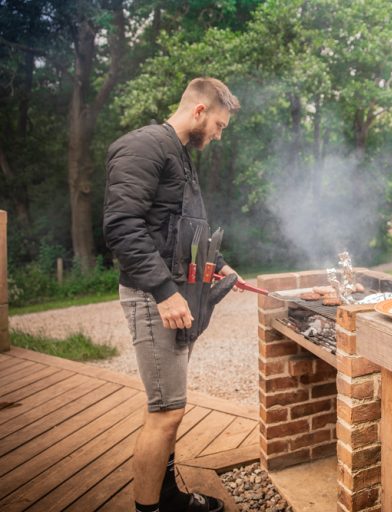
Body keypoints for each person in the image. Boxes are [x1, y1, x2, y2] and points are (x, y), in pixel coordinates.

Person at [104, 77, 244, 512]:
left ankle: (167, 498)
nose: (219, 135)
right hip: (155, 299)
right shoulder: (144, 147)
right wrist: (166, 292)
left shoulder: (177, 155)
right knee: (164, 414)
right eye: (219, 125)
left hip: (175, 297)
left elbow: (179, 232)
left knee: (173, 410)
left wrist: (216, 264)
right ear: (199, 111)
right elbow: (122, 228)